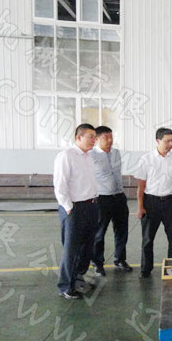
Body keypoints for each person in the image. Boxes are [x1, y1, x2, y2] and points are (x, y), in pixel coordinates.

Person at [53, 124, 99, 299]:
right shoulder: (66, 156)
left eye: (95, 137)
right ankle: (65, 286)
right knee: (71, 248)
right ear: (79, 137)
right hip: (74, 208)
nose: (94, 140)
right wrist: (68, 208)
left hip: (91, 206)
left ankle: (78, 278)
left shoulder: (88, 157)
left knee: (87, 246)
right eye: (91, 136)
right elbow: (60, 185)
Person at [135, 128, 172, 278]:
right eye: (167, 141)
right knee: (147, 238)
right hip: (151, 202)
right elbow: (141, 186)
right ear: (158, 141)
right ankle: (146, 269)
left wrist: (168, 184)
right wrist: (140, 207)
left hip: (171, 203)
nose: (170, 144)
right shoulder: (146, 159)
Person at [89, 126, 132, 276]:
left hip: (119, 197)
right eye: (106, 138)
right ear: (97, 139)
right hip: (101, 198)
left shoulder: (116, 153)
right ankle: (97, 263)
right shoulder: (91, 155)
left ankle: (120, 259)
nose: (110, 140)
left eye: (111, 137)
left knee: (122, 230)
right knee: (99, 233)